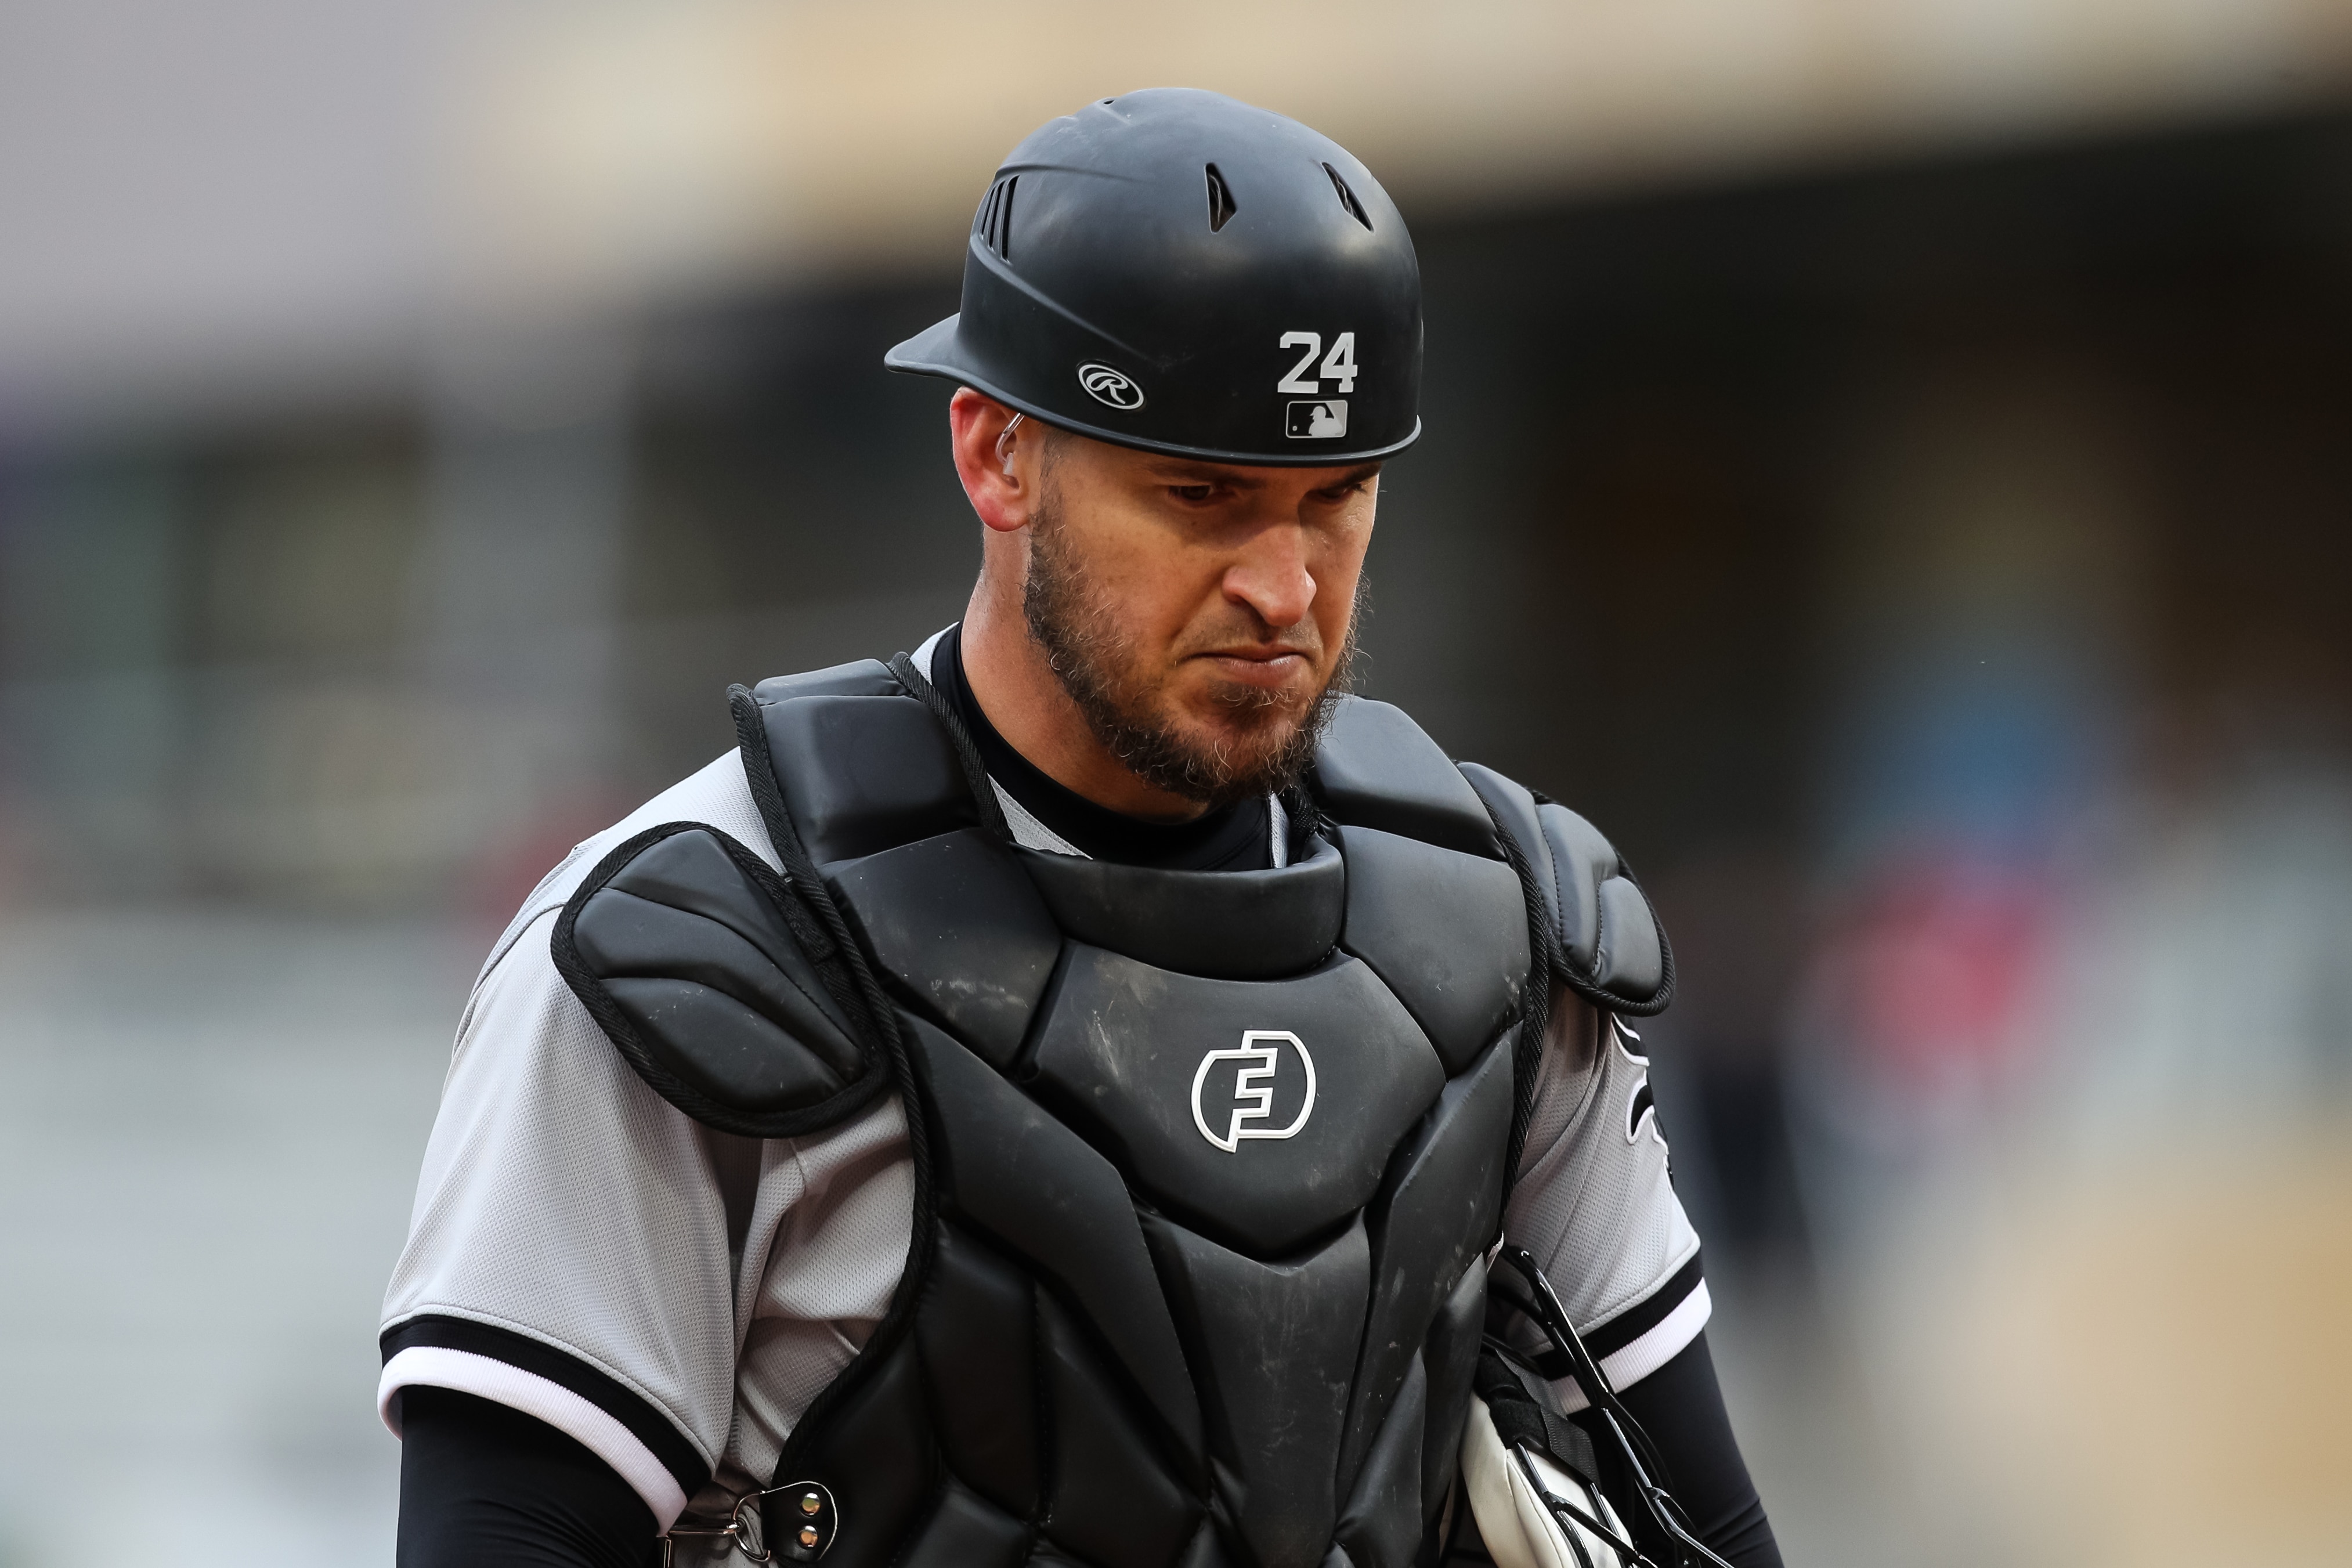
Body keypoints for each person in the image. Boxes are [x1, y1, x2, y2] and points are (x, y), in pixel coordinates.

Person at [381, 88, 1781, 1568]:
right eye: (1201, 492)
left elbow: (1703, 1521)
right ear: (996, 457)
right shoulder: (701, 949)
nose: (1283, 588)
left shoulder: (1498, 922)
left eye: (1334, 498)